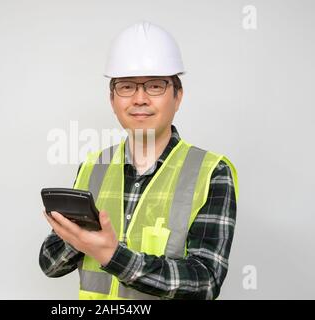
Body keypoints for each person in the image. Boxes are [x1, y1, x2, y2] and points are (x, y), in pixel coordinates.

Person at [39, 21, 239, 300]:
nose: (140, 98)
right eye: (126, 86)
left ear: (178, 96)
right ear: (112, 99)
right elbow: (49, 265)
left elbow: (205, 281)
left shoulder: (212, 172)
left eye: (155, 86)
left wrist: (110, 255)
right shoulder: (93, 166)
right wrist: (77, 238)